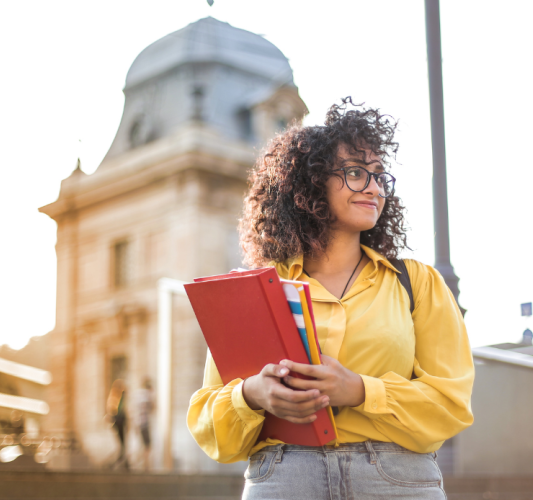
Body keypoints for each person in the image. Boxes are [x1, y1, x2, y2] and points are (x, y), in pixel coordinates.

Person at [187, 98, 474, 499]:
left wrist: (359, 390)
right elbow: (211, 425)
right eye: (355, 173)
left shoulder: (417, 283)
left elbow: (451, 403)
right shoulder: (253, 291)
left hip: (397, 480)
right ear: (311, 183)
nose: (374, 187)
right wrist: (253, 394)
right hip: (285, 477)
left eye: (379, 176)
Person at [106, 379, 128, 469]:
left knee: (122, 443)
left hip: (121, 422)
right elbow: (112, 411)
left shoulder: (120, 398)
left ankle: (123, 461)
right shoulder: (114, 398)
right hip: (118, 422)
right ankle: (119, 461)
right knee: (120, 443)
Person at [135, 377, 155, 471]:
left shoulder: (138, 395)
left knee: (143, 445)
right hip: (145, 423)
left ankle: (143, 463)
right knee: (147, 445)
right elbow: (152, 407)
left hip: (138, 423)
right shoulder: (146, 395)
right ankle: (145, 465)